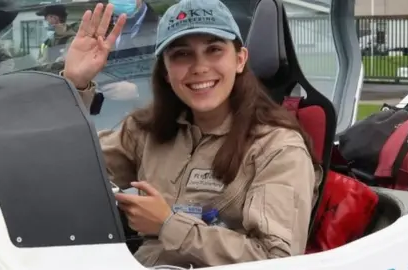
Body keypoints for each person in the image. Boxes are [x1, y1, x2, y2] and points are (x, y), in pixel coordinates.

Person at [62, 0, 322, 268]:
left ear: (240, 59)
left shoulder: (277, 148)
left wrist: (168, 225)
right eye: (182, 54)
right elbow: (68, 169)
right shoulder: (147, 131)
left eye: (214, 50)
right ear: (165, 70)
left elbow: (276, 260)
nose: (199, 67)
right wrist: (74, 85)